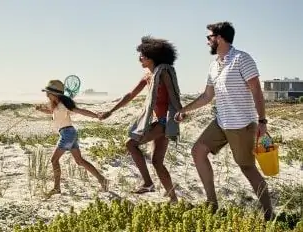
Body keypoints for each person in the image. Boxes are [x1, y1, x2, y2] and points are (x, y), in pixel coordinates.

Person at [175, 21, 274, 220]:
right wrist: (185, 110)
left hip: (241, 125)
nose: (207, 42)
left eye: (209, 37)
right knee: (198, 151)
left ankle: (269, 215)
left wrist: (262, 122)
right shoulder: (214, 65)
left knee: (247, 168)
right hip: (221, 122)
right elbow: (207, 96)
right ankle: (212, 204)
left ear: (219, 38)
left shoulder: (242, 59)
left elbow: (256, 91)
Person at [98, 36, 183, 203]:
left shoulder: (163, 72)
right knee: (157, 162)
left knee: (131, 143)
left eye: (142, 55)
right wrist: (111, 110)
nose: (139, 59)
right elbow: (130, 95)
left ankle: (148, 182)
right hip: (158, 122)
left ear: (152, 56)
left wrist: (181, 112)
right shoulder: (147, 75)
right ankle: (173, 199)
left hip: (164, 122)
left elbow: (174, 95)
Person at [36, 80, 108, 197]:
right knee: (79, 161)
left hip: (68, 134)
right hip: (69, 133)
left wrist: (96, 116)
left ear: (55, 94)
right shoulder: (57, 105)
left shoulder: (64, 105)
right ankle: (102, 179)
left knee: (54, 160)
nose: (46, 95)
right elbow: (50, 112)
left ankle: (56, 188)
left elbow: (81, 111)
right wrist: (40, 109)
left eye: (48, 93)